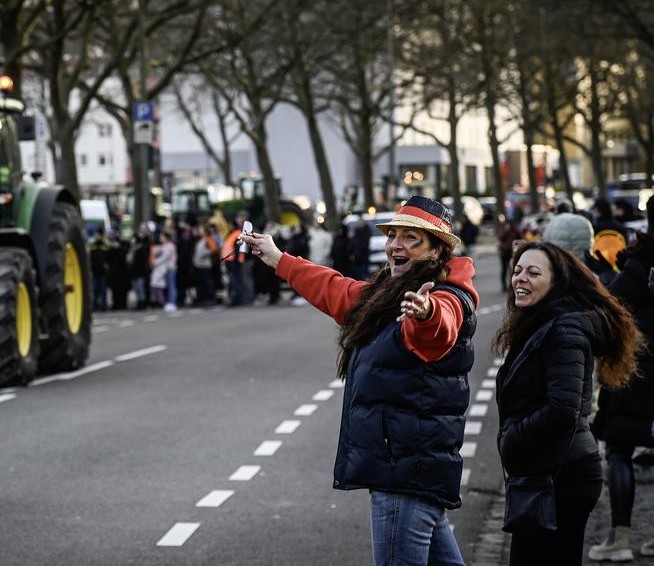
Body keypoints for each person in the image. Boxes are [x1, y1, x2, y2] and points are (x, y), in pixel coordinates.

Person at [242, 196, 479, 565]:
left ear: (437, 252)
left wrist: (425, 312)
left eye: (411, 238)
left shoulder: (444, 296)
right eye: (393, 235)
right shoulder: (383, 296)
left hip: (403, 476)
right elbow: (333, 287)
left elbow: (441, 327)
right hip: (413, 473)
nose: (396, 245)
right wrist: (276, 257)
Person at [492, 241, 642, 565]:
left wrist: (513, 439)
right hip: (550, 469)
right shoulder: (540, 322)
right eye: (518, 271)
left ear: (556, 283)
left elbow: (564, 408)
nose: (520, 279)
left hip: (562, 475)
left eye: (533, 273)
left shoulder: (564, 328)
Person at [588, 214, 654, 561]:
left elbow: (611, 309)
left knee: (619, 449)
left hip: (637, 372)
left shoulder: (640, 263)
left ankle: (620, 538)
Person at [497, 214, 524, 292]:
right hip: (504, 251)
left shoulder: (515, 230)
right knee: (504, 269)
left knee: (512, 268)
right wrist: (506, 230)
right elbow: (500, 237)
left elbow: (520, 238)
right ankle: (504, 285)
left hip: (511, 251)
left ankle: (511, 284)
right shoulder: (504, 230)